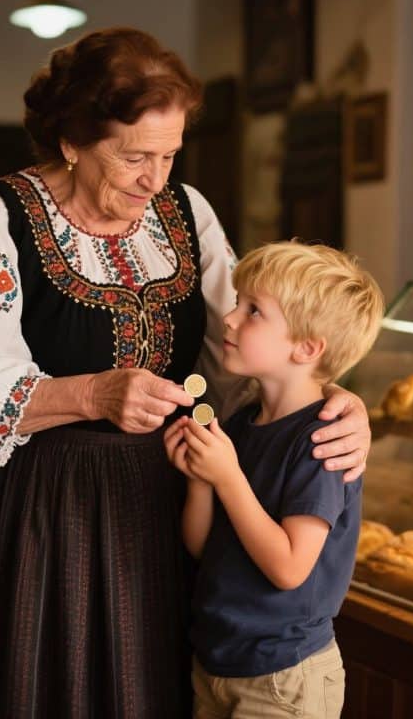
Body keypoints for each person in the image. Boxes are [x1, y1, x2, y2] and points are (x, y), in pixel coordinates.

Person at [0, 28, 372, 719]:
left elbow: (260, 345)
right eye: (134, 156)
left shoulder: (187, 213)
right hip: (51, 510)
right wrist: (92, 392)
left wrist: (337, 399)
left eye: (169, 155)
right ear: (72, 140)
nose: (154, 179)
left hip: (175, 501)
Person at [164, 241, 384, 719]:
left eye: (254, 311)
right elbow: (204, 547)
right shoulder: (242, 422)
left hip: (285, 677)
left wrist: (227, 478)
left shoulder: (323, 442)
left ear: (306, 348)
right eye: (238, 302)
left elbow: (288, 567)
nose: (230, 318)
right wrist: (201, 478)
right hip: (219, 662)